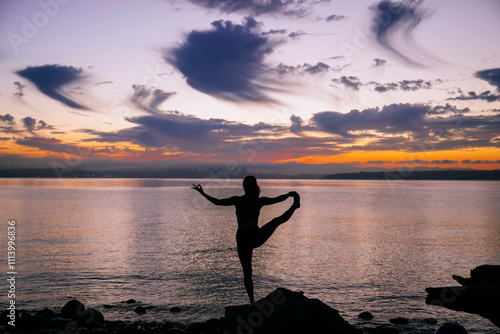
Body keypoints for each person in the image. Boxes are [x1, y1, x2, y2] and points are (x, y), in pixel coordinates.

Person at [192, 175, 300, 304]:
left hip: (243, 238)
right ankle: (294, 207)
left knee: (247, 272)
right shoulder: (258, 201)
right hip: (255, 236)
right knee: (276, 221)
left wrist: (202, 193)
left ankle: (252, 301)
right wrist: (289, 194)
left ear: (244, 187)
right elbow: (278, 199)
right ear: (255, 186)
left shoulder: (238, 200)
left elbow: (216, 201)